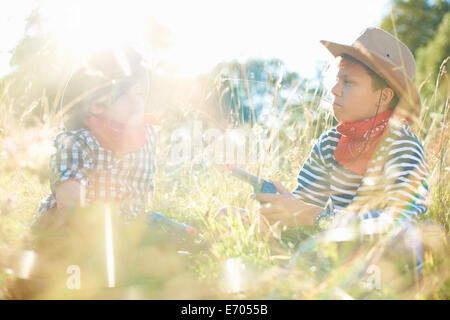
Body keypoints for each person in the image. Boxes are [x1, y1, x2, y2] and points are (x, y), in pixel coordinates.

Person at [252, 27, 428, 235]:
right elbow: (304, 208)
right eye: (337, 79)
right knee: (229, 216)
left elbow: (405, 220)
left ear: (383, 97)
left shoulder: (402, 146)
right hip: (327, 253)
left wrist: (315, 217)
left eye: (348, 82)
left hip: (378, 262)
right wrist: (274, 211)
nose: (334, 89)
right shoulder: (330, 143)